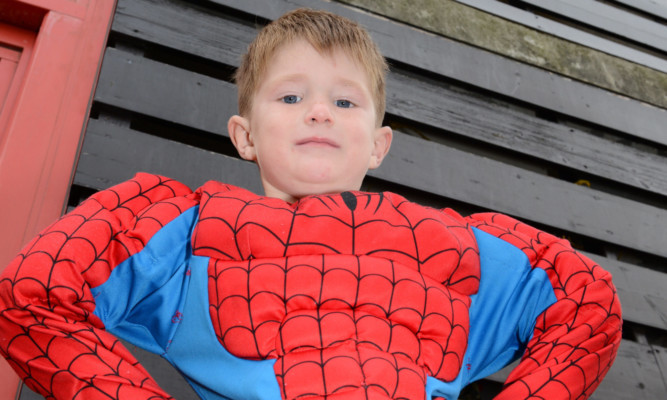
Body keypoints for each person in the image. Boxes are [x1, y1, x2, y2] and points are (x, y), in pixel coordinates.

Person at [0, 8, 621, 400]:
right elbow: (33, 294)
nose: (320, 110)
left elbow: (587, 300)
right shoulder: (181, 226)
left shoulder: (461, 246)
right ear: (245, 135)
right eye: (291, 97)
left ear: (379, 145)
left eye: (345, 102)